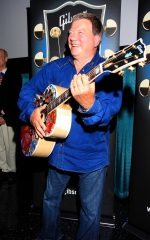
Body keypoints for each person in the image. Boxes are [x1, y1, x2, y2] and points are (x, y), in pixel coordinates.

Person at [18, 13, 122, 240]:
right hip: (57, 149)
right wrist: (32, 112)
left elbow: (107, 114)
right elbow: (26, 92)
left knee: (90, 212)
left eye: (80, 32)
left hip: (91, 156)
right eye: (70, 33)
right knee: (49, 199)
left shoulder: (108, 73)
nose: (72, 37)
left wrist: (89, 105)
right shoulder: (55, 68)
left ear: (96, 39)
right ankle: (49, 235)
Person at [0, 49, 22, 181]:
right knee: (0, 145)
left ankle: (12, 170)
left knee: (10, 146)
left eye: (0, 56)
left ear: (6, 58)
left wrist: (5, 117)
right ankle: (3, 168)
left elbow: (16, 99)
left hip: (9, 118)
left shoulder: (14, 75)